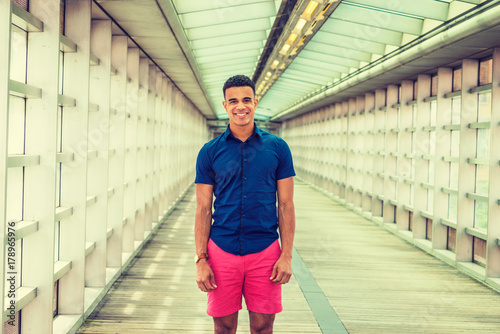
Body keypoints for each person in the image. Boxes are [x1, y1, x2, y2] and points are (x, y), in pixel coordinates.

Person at [194, 74, 296, 334]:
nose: (241, 106)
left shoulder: (278, 148)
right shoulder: (209, 151)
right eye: (234, 101)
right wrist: (201, 259)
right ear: (225, 105)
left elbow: (285, 205)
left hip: (265, 250)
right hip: (222, 249)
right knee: (224, 326)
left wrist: (286, 255)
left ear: (255, 102)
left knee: (263, 326)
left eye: (247, 100)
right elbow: (204, 209)